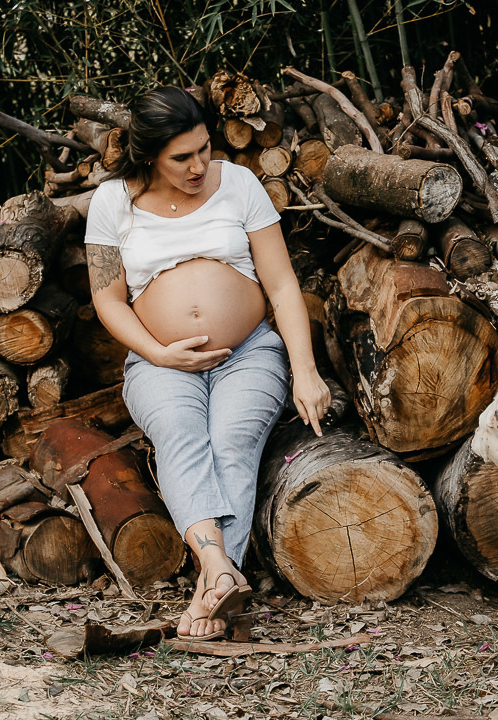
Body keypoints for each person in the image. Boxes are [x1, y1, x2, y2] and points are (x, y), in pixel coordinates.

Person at [84, 86, 330, 640]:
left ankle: (209, 585)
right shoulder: (111, 202)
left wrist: (306, 369)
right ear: (149, 155)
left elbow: (283, 284)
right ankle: (222, 574)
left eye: (203, 149)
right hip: (158, 360)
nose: (197, 166)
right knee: (179, 433)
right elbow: (107, 299)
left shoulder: (239, 184)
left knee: (232, 440)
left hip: (248, 352)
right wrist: (157, 351)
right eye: (180, 157)